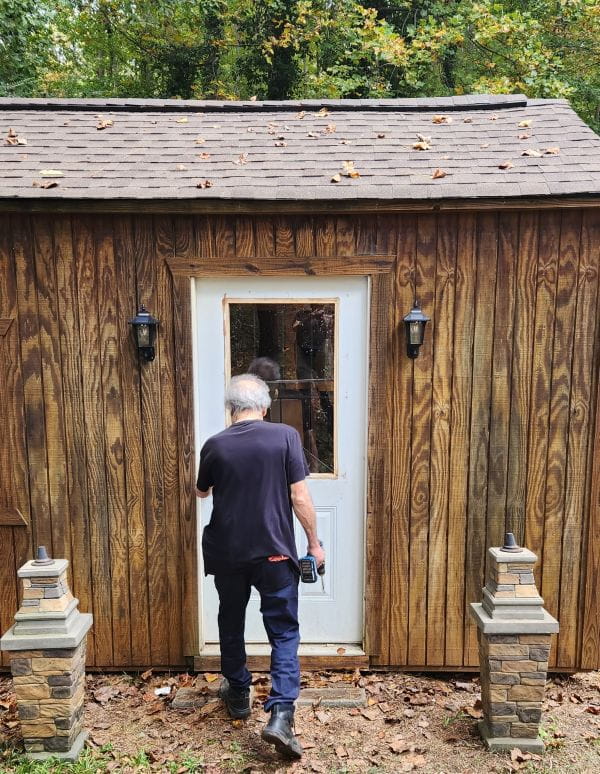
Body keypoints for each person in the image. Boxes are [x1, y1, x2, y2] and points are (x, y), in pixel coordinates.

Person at [195, 373, 325, 759]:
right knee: (283, 632)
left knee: (230, 620)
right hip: (274, 554)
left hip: (228, 554)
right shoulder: (284, 436)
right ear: (264, 407)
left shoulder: (214, 445)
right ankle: (281, 714)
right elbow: (299, 496)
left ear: (230, 409)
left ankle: (238, 692)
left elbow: (201, 491)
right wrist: (314, 544)